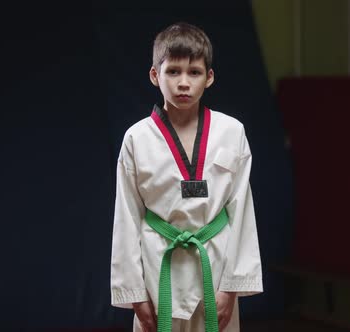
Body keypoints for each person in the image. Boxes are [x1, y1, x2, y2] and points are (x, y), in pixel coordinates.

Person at [110, 22, 263, 332]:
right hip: (158, 269)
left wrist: (231, 287)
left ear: (209, 78)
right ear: (155, 75)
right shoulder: (136, 138)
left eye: (194, 72)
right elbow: (126, 216)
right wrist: (135, 294)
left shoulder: (231, 132)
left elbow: (241, 211)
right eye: (173, 72)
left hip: (215, 268)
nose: (183, 83)